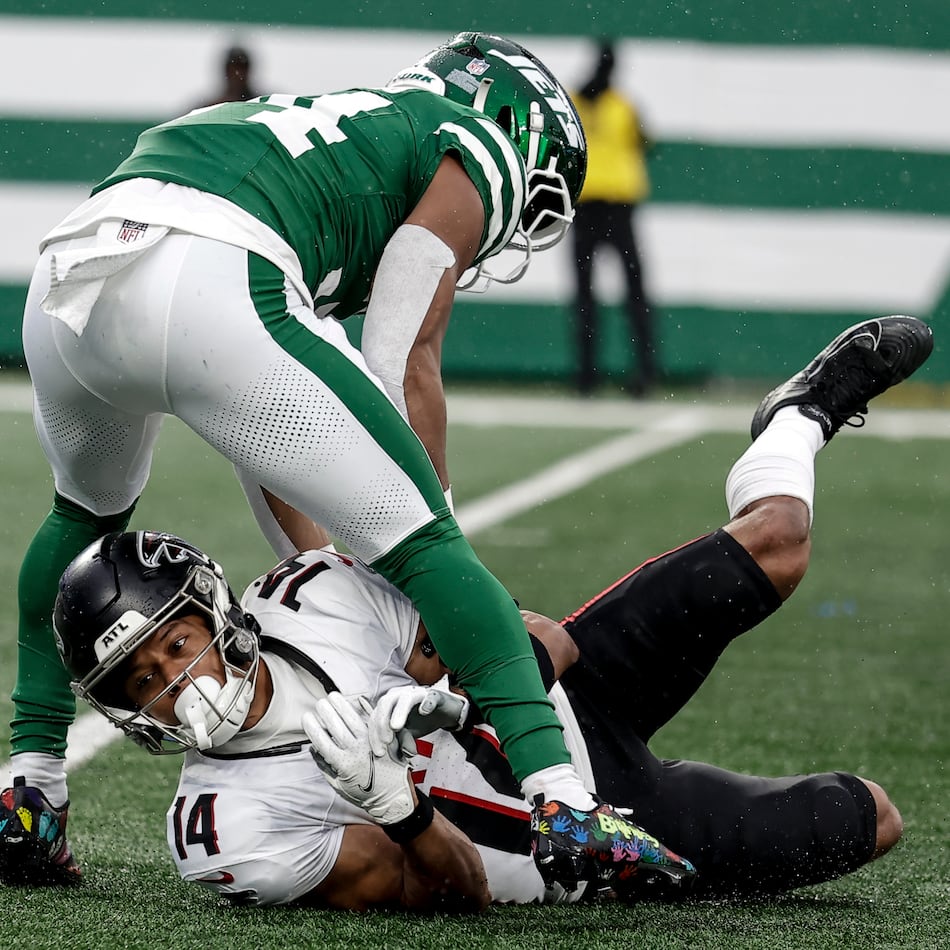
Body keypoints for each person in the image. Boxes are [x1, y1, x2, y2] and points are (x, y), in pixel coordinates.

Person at [1, 32, 642, 890]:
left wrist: (325, 569)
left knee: (78, 517)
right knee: (432, 546)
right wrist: (426, 560)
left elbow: (268, 432)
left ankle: (29, 788)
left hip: (74, 273)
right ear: (513, 125)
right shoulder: (471, 143)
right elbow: (403, 348)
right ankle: (561, 800)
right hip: (211, 269)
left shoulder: (328, 133)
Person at [35, 316, 930, 906]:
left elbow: (542, 642)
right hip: (590, 837)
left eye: (175, 646)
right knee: (871, 816)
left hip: (557, 712)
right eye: (141, 682)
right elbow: (456, 895)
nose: (177, 683)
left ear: (212, 612)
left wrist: (456, 699)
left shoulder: (310, 598)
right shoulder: (222, 831)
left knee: (778, 542)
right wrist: (395, 803)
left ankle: (795, 418)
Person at [571, 40, 657, 397]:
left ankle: (619, 375)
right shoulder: (620, 106)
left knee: (608, 296)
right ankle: (607, 375)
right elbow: (647, 143)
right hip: (599, 206)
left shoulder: (593, 103)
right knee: (610, 296)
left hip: (609, 207)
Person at [195, 45, 260, 109]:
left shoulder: (259, 105)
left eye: (242, 68)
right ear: (226, 71)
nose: (238, 73)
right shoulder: (209, 108)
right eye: (234, 68)